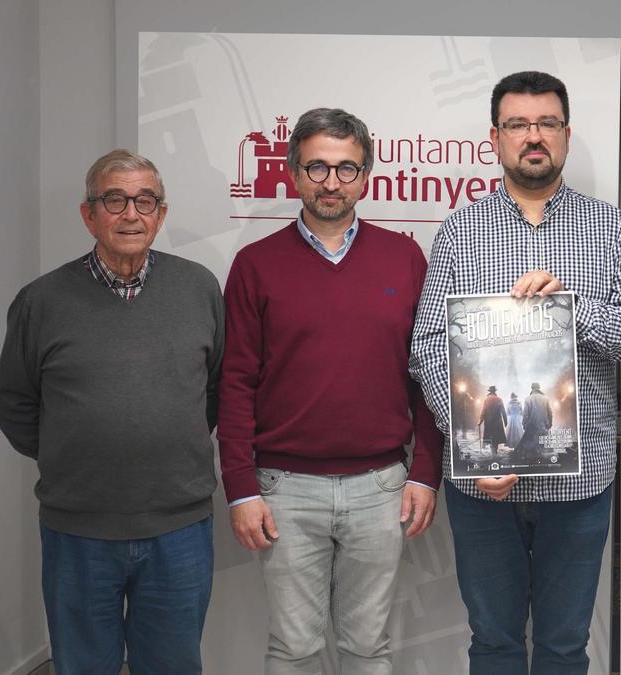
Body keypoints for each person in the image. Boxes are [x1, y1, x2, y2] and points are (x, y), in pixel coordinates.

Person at [409, 70, 621, 674]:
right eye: (518, 124)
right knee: (493, 645)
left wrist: (575, 309)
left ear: (567, 136)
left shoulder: (609, 228)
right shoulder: (458, 233)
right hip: (482, 489)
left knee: (564, 648)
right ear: (494, 139)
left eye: (546, 123)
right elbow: (426, 347)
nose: (533, 136)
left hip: (579, 485)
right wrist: (476, 448)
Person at [217, 107, 443, 675]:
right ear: (293, 173)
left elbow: (429, 374)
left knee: (368, 648)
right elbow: (236, 382)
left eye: (347, 169)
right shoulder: (254, 265)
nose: (332, 183)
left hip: (382, 487)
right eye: (317, 167)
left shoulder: (405, 257)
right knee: (293, 649)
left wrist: (424, 472)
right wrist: (241, 489)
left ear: (367, 177)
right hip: (284, 489)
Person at [0, 149, 223, 674]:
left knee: (173, 666)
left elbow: (213, 391)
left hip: (178, 528)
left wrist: (160, 434)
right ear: (88, 214)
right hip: (79, 531)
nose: (131, 213)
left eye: (145, 201)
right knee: (82, 665)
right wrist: (71, 451)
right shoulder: (42, 300)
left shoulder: (200, 289)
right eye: (114, 199)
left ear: (162, 214)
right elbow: (12, 402)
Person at [517, 381, 554, 460]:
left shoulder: (528, 399)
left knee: (531, 449)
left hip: (532, 427)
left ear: (532, 388)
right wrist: (550, 423)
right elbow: (550, 412)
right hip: (543, 426)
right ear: (539, 388)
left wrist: (524, 424)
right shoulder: (545, 398)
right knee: (544, 448)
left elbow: (525, 414)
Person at [481, 386, 509, 456]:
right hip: (497, 422)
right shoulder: (499, 399)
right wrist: (505, 421)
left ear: (490, 392)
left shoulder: (486, 399)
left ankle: (493, 452)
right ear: (495, 392)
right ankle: (495, 452)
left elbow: (483, 411)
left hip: (489, 422)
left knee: (491, 437)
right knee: (496, 438)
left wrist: (480, 420)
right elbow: (503, 411)